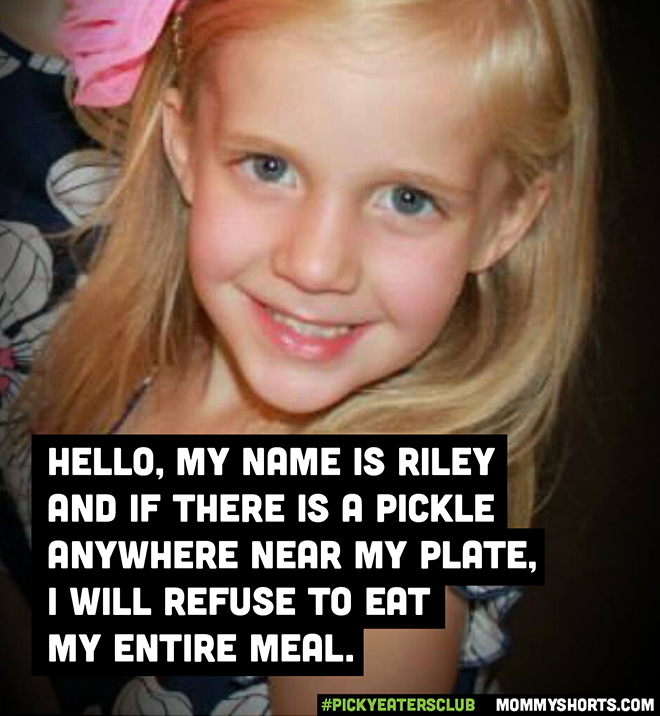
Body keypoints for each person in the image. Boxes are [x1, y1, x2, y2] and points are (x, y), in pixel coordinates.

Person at [1, 0, 599, 712]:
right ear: (183, 145)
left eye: (407, 199)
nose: (316, 266)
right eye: (270, 166)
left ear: (504, 221)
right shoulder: (142, 335)